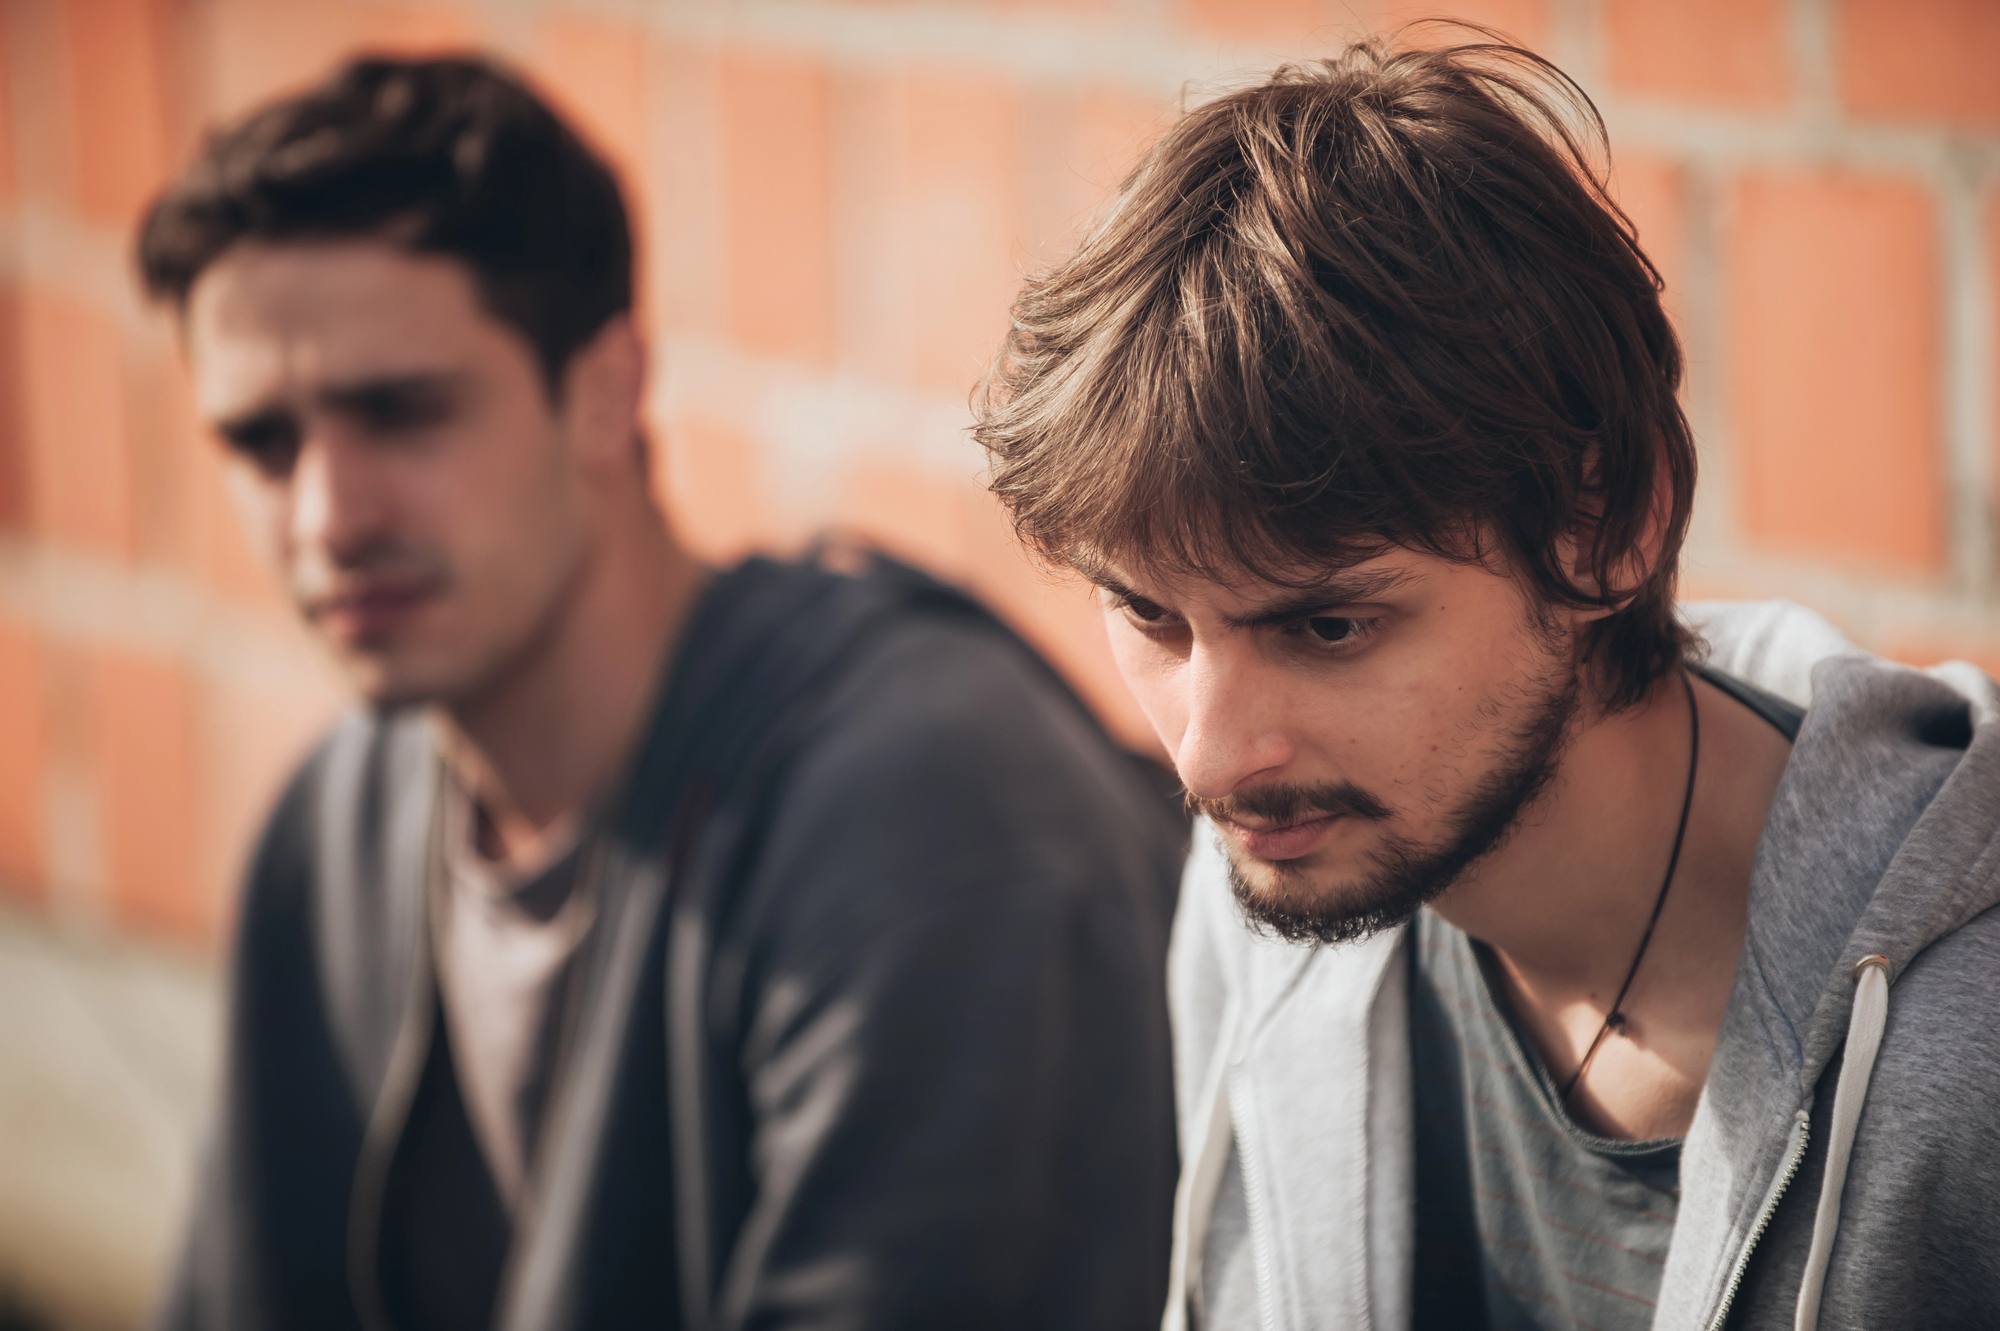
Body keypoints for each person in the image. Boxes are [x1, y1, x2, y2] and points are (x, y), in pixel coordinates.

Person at [140, 54, 1185, 1331]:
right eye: (263, 442)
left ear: (606, 389)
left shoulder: (923, 806)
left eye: (402, 413)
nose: (326, 515)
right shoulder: (336, 825)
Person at [974, 32, 2000, 1331]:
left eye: (1330, 625)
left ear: (1612, 527)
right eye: (1152, 615)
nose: (1211, 755)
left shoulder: (1963, 1048)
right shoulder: (1277, 876)